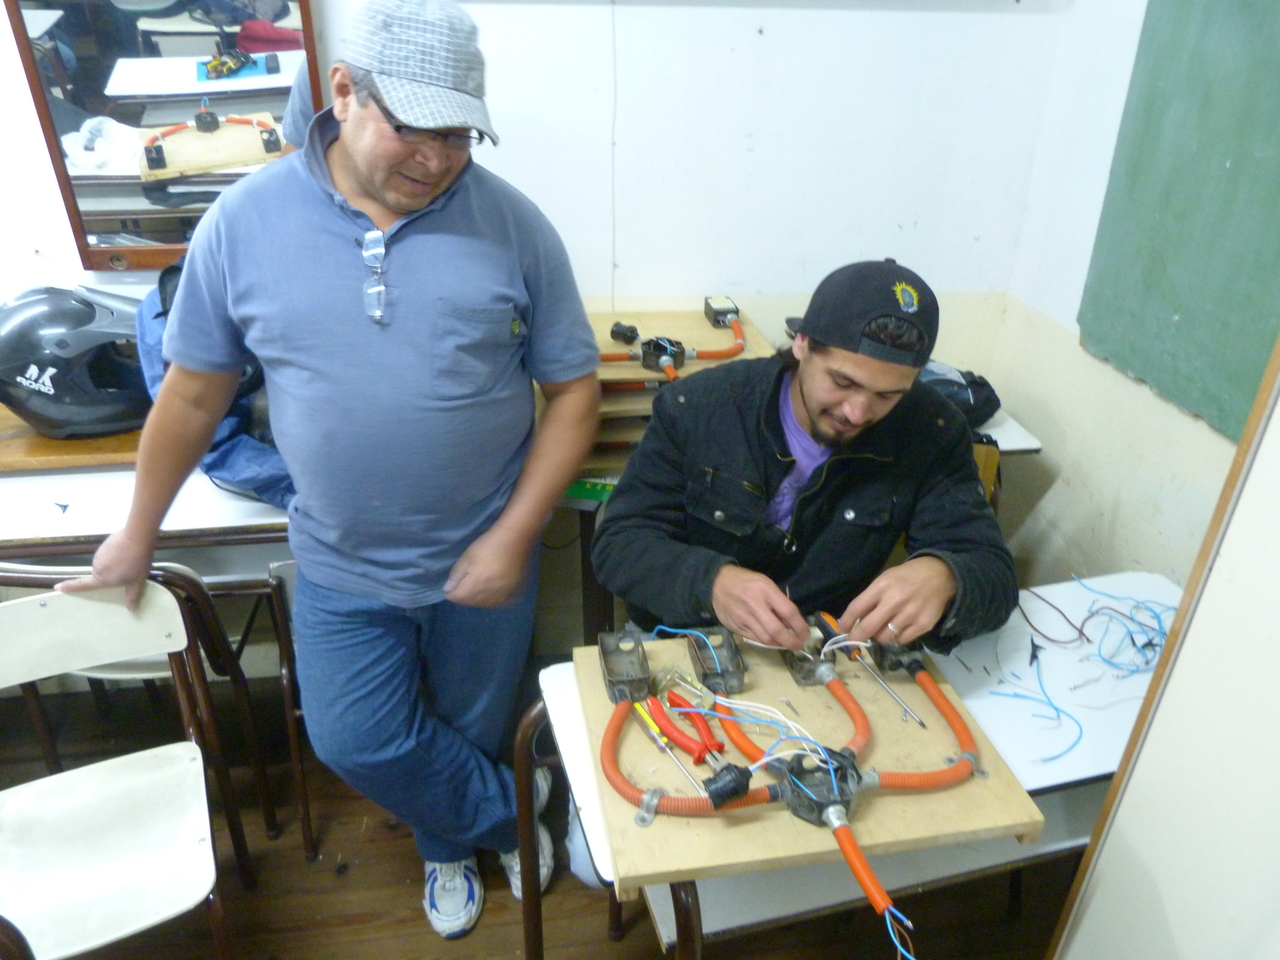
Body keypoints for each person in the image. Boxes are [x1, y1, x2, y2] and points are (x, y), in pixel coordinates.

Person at [59, 0, 600, 941]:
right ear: (344, 92)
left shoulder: (515, 226)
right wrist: (136, 534)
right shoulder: (243, 223)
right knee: (356, 737)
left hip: (484, 550)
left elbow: (574, 393)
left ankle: (448, 846)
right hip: (341, 559)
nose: (437, 159)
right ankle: (512, 809)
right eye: (413, 129)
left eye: (458, 135)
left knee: (470, 723)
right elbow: (192, 397)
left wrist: (514, 537)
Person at [592, 259, 1016, 655]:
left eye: (887, 395)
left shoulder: (931, 430)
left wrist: (947, 576)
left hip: (826, 648)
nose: (857, 413)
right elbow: (620, 542)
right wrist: (711, 583)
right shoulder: (698, 406)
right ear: (802, 343)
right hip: (687, 640)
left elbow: (993, 573)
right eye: (842, 382)